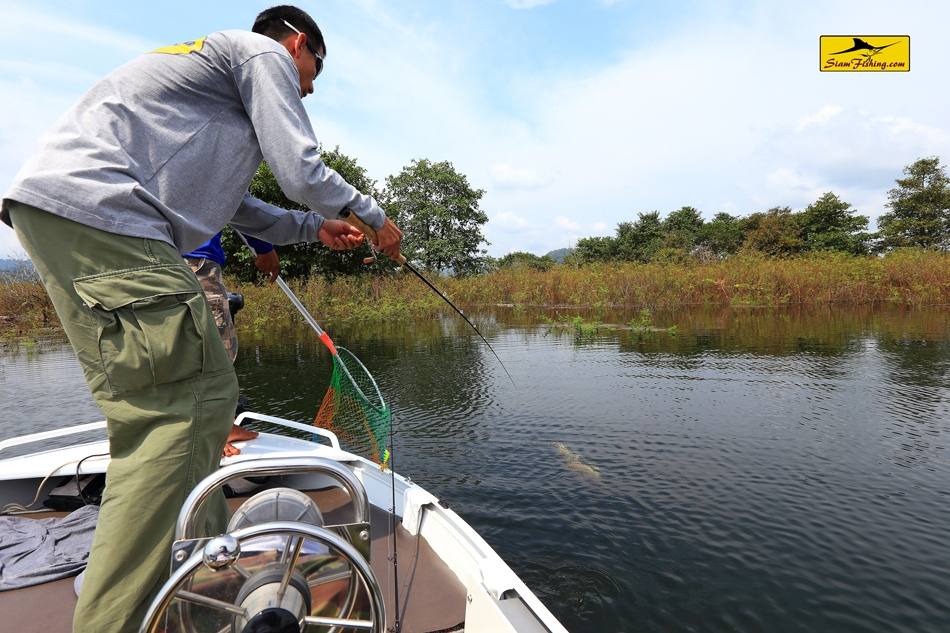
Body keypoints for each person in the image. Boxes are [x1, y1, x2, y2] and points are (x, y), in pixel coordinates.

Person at [0, 5, 402, 632]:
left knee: (179, 408)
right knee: (184, 409)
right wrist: (375, 218)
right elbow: (300, 170)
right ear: (297, 44)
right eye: (314, 69)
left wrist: (314, 228)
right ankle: (133, 615)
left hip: (68, 215)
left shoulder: (211, 99)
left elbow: (238, 206)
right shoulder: (259, 54)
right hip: (107, 216)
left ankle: (198, 578)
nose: (311, 87)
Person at [183, 230, 277, 456]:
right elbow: (239, 204)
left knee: (209, 351)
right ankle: (213, 433)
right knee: (215, 354)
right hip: (195, 262)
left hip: (182, 260)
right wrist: (264, 248)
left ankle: (222, 426)